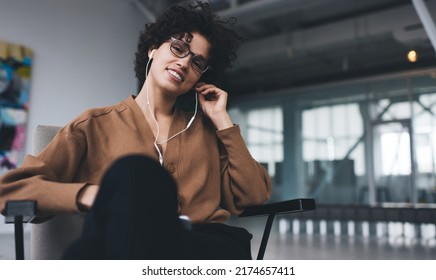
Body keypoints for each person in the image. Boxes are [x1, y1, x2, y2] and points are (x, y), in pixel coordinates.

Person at [0, 1, 272, 259]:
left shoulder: (209, 133)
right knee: (133, 172)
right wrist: (91, 194)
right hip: (128, 243)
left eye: (197, 62)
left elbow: (253, 196)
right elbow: (10, 191)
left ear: (201, 77)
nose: (185, 63)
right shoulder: (93, 125)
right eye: (178, 48)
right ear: (153, 48)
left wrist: (222, 121)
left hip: (199, 248)